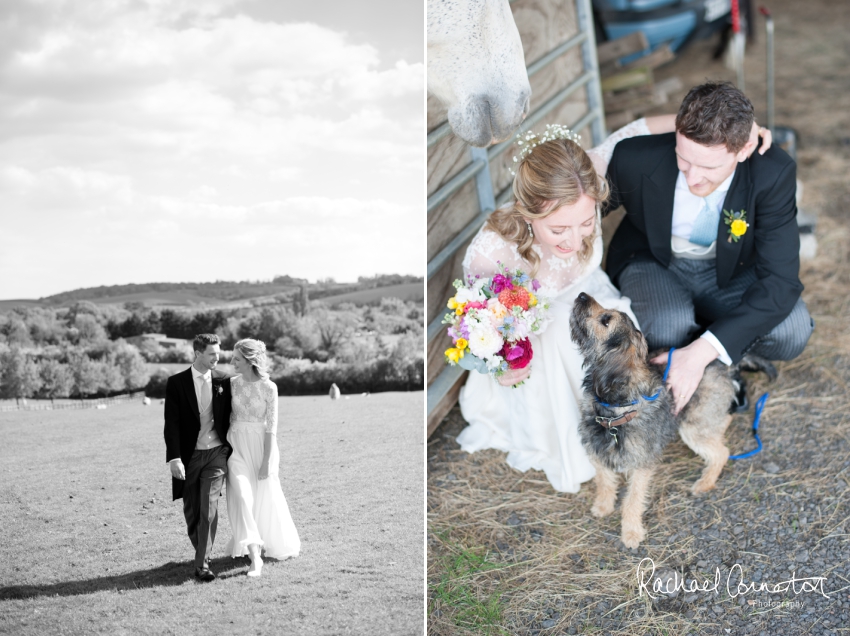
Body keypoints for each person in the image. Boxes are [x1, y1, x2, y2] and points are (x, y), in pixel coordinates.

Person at [456, 115, 773, 493]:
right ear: (528, 212)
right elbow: (476, 331)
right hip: (547, 346)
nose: (574, 241)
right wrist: (501, 365)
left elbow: (635, 129)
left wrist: (733, 130)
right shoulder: (491, 255)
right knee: (562, 326)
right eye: (558, 230)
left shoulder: (584, 171)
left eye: (587, 222)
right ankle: (580, 438)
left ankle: (671, 406)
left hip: (596, 301)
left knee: (623, 344)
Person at [603, 81, 813, 415]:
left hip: (731, 271)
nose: (693, 178)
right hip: (654, 261)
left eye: (710, 167)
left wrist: (703, 350)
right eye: (684, 159)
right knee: (664, 325)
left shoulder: (772, 173)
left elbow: (781, 282)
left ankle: (708, 358)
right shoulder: (634, 158)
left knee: (792, 331)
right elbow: (582, 214)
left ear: (743, 149)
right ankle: (701, 350)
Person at [225, 338, 300, 576]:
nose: (232, 362)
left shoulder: (270, 387)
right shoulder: (230, 385)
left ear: (249, 361)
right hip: (235, 446)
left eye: (236, 358)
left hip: (261, 447)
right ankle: (255, 557)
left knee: (263, 497)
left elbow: (271, 428)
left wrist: (267, 461)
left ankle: (262, 544)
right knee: (243, 496)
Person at [164, 333, 232, 581]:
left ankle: (202, 565)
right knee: (192, 511)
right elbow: (171, 424)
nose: (218, 357)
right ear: (197, 354)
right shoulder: (177, 383)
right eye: (212, 354)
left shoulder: (224, 380)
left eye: (219, 352)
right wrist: (174, 458)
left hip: (216, 455)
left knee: (209, 508)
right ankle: (202, 550)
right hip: (189, 456)